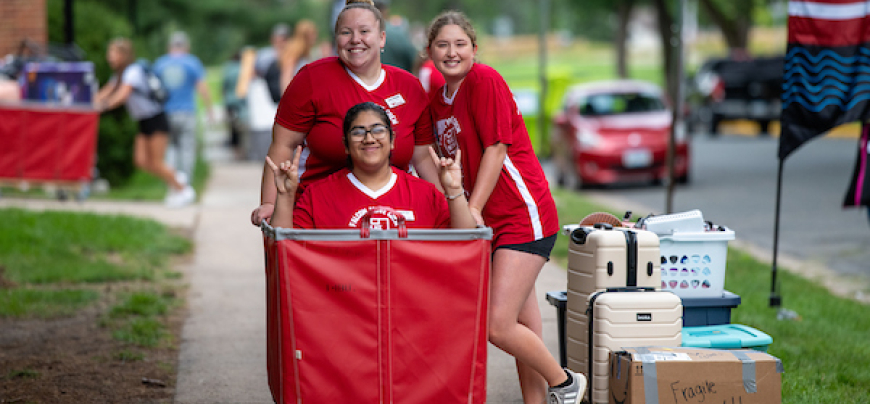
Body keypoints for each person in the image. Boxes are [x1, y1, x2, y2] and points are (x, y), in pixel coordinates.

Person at [426, 11, 586, 404]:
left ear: (474, 49)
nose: (452, 52)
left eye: (460, 44)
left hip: (522, 213)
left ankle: (566, 383)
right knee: (522, 324)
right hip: (493, 226)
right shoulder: (436, 102)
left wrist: (474, 207)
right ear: (429, 51)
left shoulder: (484, 80)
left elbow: (496, 150)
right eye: (443, 45)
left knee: (497, 325)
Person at [250, 0, 441, 226]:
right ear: (336, 39)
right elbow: (283, 145)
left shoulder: (409, 86)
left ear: (382, 38)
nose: (355, 40)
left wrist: (446, 201)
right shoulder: (312, 78)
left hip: (393, 216)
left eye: (364, 31)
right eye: (346, 32)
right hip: (319, 217)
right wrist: (271, 203)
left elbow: (423, 156)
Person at [268, 102, 473, 229]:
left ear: (392, 141)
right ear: (346, 145)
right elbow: (285, 250)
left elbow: (466, 244)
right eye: (358, 132)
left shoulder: (426, 194)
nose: (369, 138)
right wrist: (285, 197)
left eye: (378, 130)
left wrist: (455, 191)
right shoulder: (317, 196)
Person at [93, 37, 195, 207]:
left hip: (155, 119)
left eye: (114, 53)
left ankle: (183, 189)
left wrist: (102, 106)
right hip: (143, 121)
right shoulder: (119, 75)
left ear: (123, 55)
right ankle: (174, 176)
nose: (109, 56)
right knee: (140, 161)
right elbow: (108, 90)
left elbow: (122, 95)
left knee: (156, 161)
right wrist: (90, 102)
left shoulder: (132, 72)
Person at [153, 31, 214, 182]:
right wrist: (209, 109)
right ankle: (186, 184)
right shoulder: (192, 62)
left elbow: (153, 89)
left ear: (169, 46)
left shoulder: (160, 64)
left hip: (165, 113)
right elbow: (202, 88)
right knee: (187, 150)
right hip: (187, 112)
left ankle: (173, 185)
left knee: (170, 150)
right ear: (186, 47)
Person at [373, 0, 418, 72]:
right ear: (386, 10)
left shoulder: (359, 34)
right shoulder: (399, 34)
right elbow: (414, 60)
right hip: (398, 80)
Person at [278, 19, 319, 91]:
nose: (315, 36)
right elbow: (286, 77)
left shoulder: (307, 53)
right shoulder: (294, 52)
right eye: (312, 34)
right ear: (304, 36)